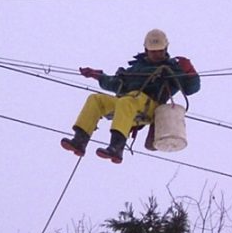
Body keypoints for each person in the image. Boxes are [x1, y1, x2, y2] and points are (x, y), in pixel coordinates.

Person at [60, 28, 201, 163]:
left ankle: (116, 148)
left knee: (128, 99)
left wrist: (189, 70)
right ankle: (79, 141)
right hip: (129, 106)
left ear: (166, 49)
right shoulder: (137, 68)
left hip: (150, 108)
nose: (157, 54)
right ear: (146, 50)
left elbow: (191, 88)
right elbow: (117, 84)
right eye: (153, 52)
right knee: (95, 99)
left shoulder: (171, 68)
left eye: (160, 51)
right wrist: (99, 76)